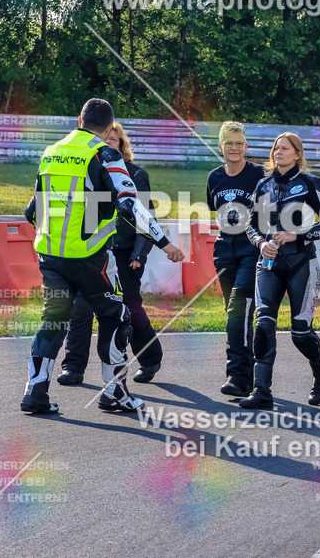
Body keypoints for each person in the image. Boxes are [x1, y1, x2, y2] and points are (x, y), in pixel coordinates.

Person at [20, 99, 184, 414]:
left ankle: (34, 394)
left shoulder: (51, 152)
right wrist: (163, 242)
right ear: (109, 128)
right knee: (117, 316)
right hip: (90, 255)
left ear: (78, 119)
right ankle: (115, 395)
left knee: (53, 320)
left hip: (50, 255)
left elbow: (32, 211)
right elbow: (130, 204)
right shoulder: (104, 153)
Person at [57, 121, 164, 386]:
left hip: (127, 255)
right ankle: (73, 366)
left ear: (122, 146)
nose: (107, 146)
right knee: (81, 307)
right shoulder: (86, 173)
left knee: (128, 307)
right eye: (104, 142)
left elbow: (144, 216)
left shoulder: (136, 175)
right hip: (93, 253)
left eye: (112, 141)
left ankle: (150, 358)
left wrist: (139, 253)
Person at [239, 132, 320, 409]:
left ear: (297, 154)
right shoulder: (262, 184)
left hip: (302, 264)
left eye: (285, 148)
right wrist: (260, 243)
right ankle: (261, 391)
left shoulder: (311, 183)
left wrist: (297, 235)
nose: (278, 152)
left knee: (301, 334)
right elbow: (250, 225)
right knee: (263, 323)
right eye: (275, 148)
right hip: (268, 264)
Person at [207, 121, 266, 398]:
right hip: (224, 251)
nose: (234, 148)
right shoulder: (214, 178)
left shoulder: (259, 174)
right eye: (229, 143)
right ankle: (249, 373)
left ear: (246, 146)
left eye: (239, 142)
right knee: (235, 315)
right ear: (220, 146)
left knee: (239, 311)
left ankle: (238, 376)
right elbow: (215, 212)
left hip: (251, 249)